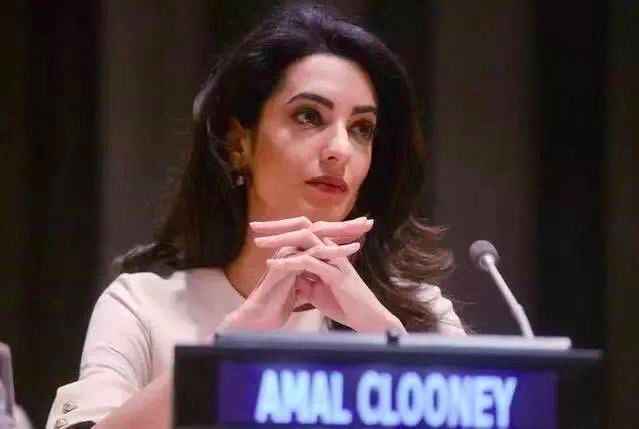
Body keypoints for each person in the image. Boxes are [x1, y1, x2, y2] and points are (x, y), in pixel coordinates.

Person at [46, 3, 465, 428]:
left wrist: (385, 339)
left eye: (362, 129)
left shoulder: (418, 315)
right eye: (309, 116)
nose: (340, 149)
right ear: (238, 144)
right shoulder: (143, 307)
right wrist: (227, 349)